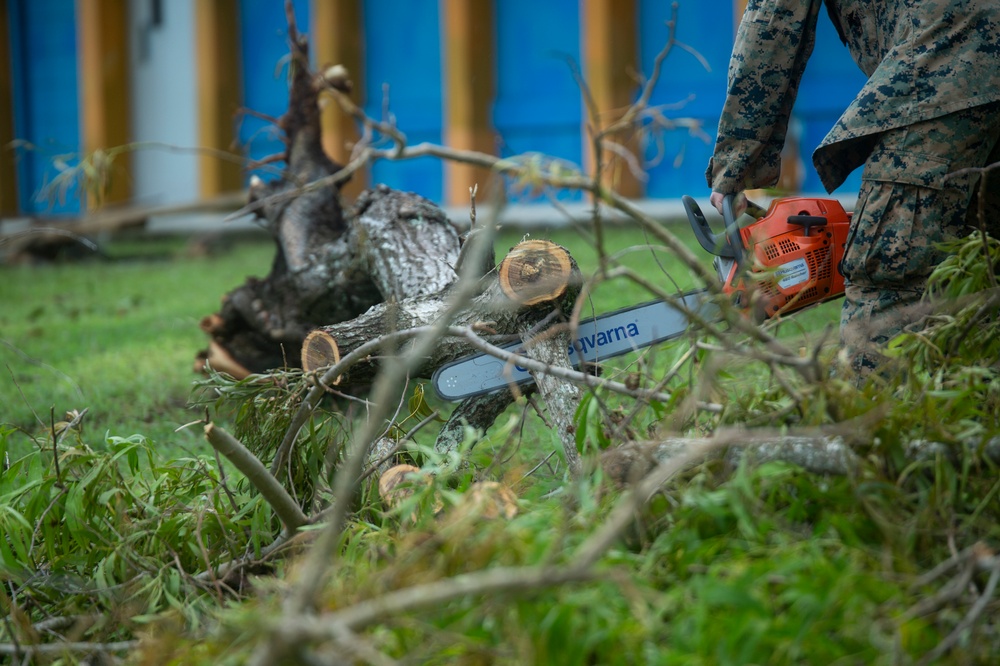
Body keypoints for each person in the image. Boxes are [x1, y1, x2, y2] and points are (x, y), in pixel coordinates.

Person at [707, 0, 1000, 377]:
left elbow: (772, 22)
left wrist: (735, 163)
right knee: (982, 261)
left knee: (889, 270)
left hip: (951, 59)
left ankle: (862, 424)